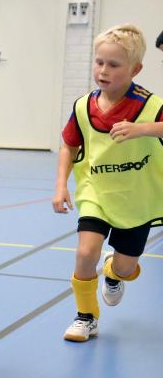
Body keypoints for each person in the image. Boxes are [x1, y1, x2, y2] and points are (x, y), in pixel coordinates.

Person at [52, 24, 163, 342]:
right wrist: (61, 185)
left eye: (113, 65)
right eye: (99, 62)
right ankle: (86, 316)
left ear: (135, 69)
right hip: (96, 191)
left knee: (127, 267)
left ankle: (114, 272)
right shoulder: (83, 107)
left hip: (135, 198)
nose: (103, 70)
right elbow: (68, 146)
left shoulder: (151, 106)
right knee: (86, 253)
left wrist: (141, 129)